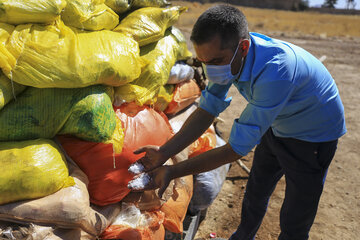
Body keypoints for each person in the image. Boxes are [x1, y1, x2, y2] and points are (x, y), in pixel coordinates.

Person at [128, 4, 346, 240]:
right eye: (204, 61)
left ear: (243, 47)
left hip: (312, 136)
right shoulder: (227, 61)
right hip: (278, 125)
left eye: (215, 60)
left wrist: (174, 170)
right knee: (256, 189)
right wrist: (164, 151)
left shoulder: (276, 71)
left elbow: (234, 150)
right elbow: (206, 111)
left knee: (296, 213)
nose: (210, 69)